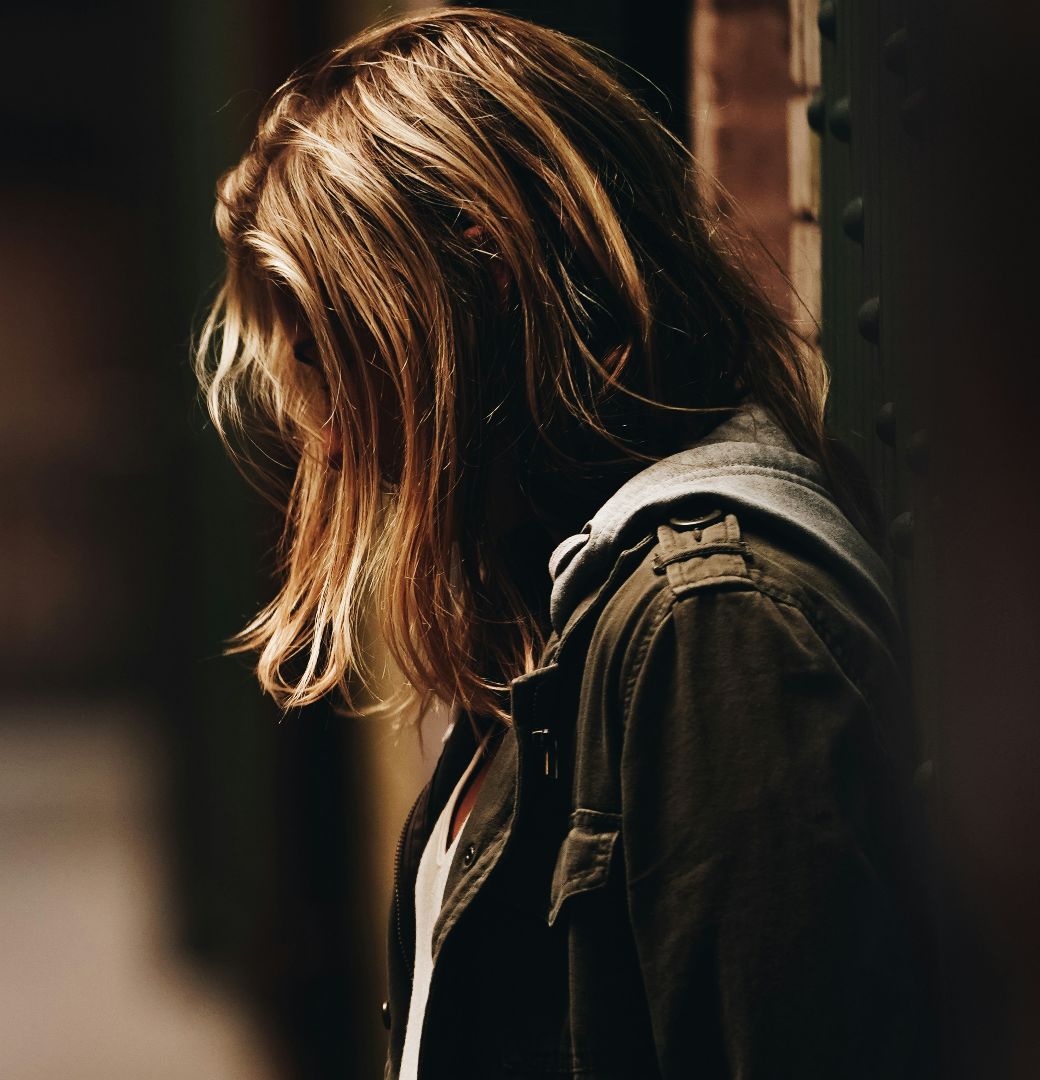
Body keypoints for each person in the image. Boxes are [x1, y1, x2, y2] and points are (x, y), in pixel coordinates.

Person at [195, 9, 933, 1079]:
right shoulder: (565, 604)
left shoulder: (710, 626)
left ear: (483, 267)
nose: (330, 427)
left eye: (336, 348)